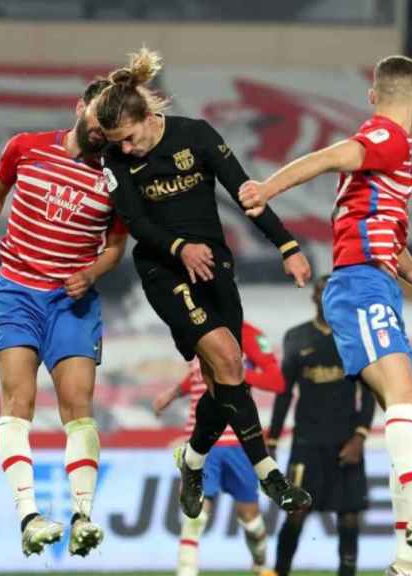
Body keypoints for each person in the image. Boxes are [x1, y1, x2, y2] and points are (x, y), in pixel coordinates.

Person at [238, 55, 412, 569]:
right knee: (403, 398)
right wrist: (267, 190)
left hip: (377, 283)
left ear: (372, 93)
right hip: (361, 286)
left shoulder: (385, 166)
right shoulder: (388, 139)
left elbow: (393, 248)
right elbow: (337, 154)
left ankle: (409, 558)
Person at [95, 47, 312, 520]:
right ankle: (269, 473)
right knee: (229, 359)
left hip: (215, 266)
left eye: (129, 138)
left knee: (221, 381)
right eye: (118, 142)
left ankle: (192, 460)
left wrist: (288, 247)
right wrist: (179, 250)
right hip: (163, 271)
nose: (126, 148)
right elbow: (135, 222)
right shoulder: (114, 160)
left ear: (148, 116)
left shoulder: (196, 136)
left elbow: (244, 192)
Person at [0, 77, 127, 557]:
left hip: (73, 301)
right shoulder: (25, 148)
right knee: (18, 401)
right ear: (79, 107)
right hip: (17, 292)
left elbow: (115, 247)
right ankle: (28, 516)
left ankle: (83, 516)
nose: (101, 129)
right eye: (97, 117)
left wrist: (90, 274)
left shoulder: (116, 176)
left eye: (110, 124)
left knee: (77, 405)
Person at [153, 321, 285, 576]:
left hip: (239, 442)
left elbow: (276, 381)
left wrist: (234, 373)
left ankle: (260, 565)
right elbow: (199, 372)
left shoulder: (248, 334)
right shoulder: (193, 323)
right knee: (196, 515)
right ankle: (186, 571)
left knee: (251, 521)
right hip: (202, 443)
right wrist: (173, 394)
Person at [268, 275, 375, 576]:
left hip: (345, 442)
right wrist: (272, 441)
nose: (326, 298)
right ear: (314, 298)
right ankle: (279, 571)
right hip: (307, 442)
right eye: (321, 293)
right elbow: (283, 392)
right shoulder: (297, 338)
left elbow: (368, 392)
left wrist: (360, 436)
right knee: (295, 514)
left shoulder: (354, 338)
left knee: (349, 519)